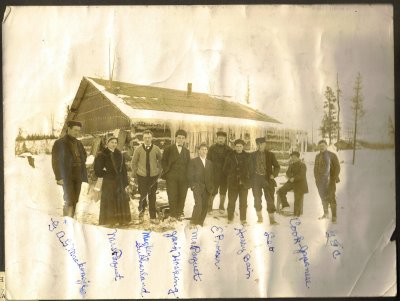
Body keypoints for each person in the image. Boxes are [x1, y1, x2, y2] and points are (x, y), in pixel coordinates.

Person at [51, 120, 88, 218]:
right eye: (75, 130)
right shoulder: (59, 143)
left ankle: (71, 218)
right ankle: (67, 220)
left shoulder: (79, 143)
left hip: (78, 174)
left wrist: (80, 161)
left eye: (78, 131)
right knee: (69, 198)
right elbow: (55, 161)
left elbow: (84, 155)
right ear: (69, 129)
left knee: (75, 198)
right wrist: (59, 177)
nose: (77, 132)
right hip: (67, 175)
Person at [94, 136, 131, 227]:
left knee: (121, 199)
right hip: (109, 182)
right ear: (107, 143)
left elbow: (124, 170)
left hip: (120, 181)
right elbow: (97, 169)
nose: (114, 144)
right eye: (112, 142)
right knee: (110, 200)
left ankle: (122, 220)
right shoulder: (102, 154)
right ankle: (110, 221)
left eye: (115, 142)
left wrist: (125, 182)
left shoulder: (119, 154)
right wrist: (106, 174)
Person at [131, 130, 162, 225]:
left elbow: (161, 162)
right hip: (142, 177)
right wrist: (135, 174)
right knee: (142, 197)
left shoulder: (156, 149)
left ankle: (152, 217)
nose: (147, 139)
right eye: (145, 138)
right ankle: (141, 216)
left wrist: (158, 173)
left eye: (149, 138)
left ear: (152, 138)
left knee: (152, 196)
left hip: (153, 177)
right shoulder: (138, 149)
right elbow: (134, 162)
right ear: (143, 138)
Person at [161, 129, 190, 222]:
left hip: (183, 178)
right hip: (172, 177)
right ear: (175, 138)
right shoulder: (169, 149)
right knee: (172, 195)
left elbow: (189, 164)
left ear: (185, 139)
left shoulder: (186, 151)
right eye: (179, 137)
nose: (181, 139)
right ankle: (173, 214)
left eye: (182, 138)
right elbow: (163, 161)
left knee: (182, 195)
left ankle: (180, 212)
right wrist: (167, 172)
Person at [250, 137, 280, 225]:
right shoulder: (252, 155)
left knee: (270, 199)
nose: (260, 146)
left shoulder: (270, 155)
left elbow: (277, 166)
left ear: (265, 144)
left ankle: (272, 219)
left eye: (262, 144)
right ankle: (259, 217)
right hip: (256, 180)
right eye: (258, 144)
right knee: (257, 199)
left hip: (267, 180)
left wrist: (273, 174)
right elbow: (248, 168)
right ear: (256, 145)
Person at [223, 139, 252, 225]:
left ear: (243, 147)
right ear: (234, 147)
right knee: (231, 201)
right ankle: (230, 217)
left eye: (240, 146)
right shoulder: (230, 156)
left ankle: (243, 219)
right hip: (233, 183)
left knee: (243, 202)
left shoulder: (248, 156)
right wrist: (231, 175)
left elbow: (251, 169)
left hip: (244, 184)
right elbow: (225, 169)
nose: (238, 148)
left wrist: (247, 178)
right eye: (237, 146)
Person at [187, 143, 214, 227]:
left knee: (205, 205)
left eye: (205, 149)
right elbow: (189, 174)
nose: (204, 151)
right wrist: (193, 185)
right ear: (199, 151)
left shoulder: (209, 163)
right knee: (198, 204)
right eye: (202, 149)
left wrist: (211, 187)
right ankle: (194, 221)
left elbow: (212, 175)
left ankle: (200, 222)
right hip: (197, 187)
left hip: (207, 188)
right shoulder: (194, 161)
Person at [314, 140, 341, 223]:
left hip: (330, 181)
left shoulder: (332, 155)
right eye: (320, 146)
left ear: (326, 146)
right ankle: (326, 213)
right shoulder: (317, 156)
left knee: (331, 198)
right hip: (320, 182)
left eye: (323, 145)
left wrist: (333, 178)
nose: (321, 147)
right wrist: (316, 179)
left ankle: (334, 217)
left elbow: (337, 168)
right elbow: (315, 168)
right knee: (323, 197)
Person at [207, 131, 232, 214]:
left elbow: (231, 163)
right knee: (213, 190)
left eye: (222, 138)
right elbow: (208, 161)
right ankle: (209, 206)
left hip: (224, 174)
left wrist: (228, 172)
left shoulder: (229, 149)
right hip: (214, 174)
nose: (221, 140)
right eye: (219, 138)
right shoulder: (212, 148)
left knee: (223, 190)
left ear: (225, 139)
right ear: (217, 139)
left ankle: (221, 206)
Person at [277, 151, 308, 217]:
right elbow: (287, 173)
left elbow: (302, 175)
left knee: (297, 198)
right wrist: (291, 177)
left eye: (294, 157)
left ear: (297, 157)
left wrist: (294, 178)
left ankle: (297, 213)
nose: (292, 158)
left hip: (300, 183)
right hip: (291, 182)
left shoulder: (302, 165)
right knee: (281, 190)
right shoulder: (291, 165)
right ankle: (285, 205)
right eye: (292, 157)